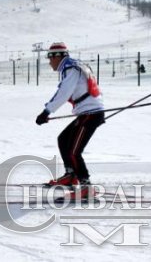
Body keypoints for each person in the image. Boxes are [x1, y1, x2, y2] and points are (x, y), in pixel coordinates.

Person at [35, 42, 105, 200]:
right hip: (88, 111)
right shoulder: (75, 65)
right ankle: (71, 175)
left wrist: (46, 112)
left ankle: (86, 187)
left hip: (90, 113)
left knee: (74, 151)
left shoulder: (70, 68)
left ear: (57, 56)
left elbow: (63, 92)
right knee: (64, 139)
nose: (49, 62)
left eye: (50, 58)